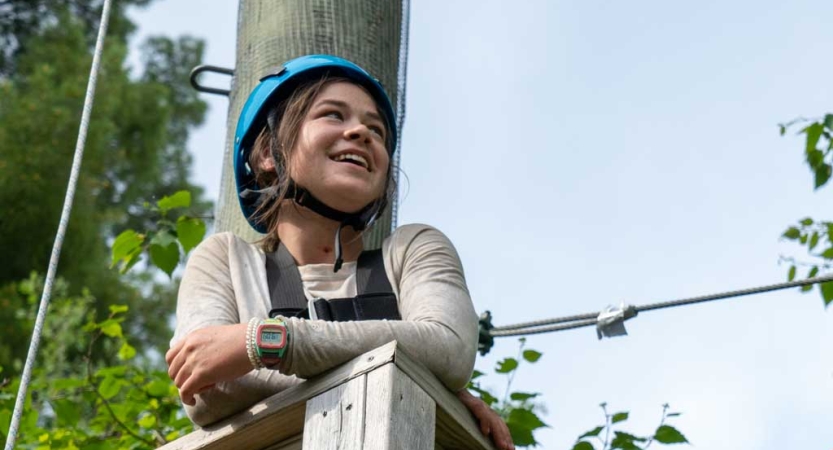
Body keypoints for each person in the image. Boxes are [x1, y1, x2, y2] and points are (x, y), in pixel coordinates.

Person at [165, 54, 513, 449]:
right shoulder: (226, 261)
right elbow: (207, 388)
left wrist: (263, 341)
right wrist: (418, 377)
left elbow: (448, 349)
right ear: (267, 154)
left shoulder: (412, 252)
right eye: (333, 115)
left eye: (376, 130)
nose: (362, 133)